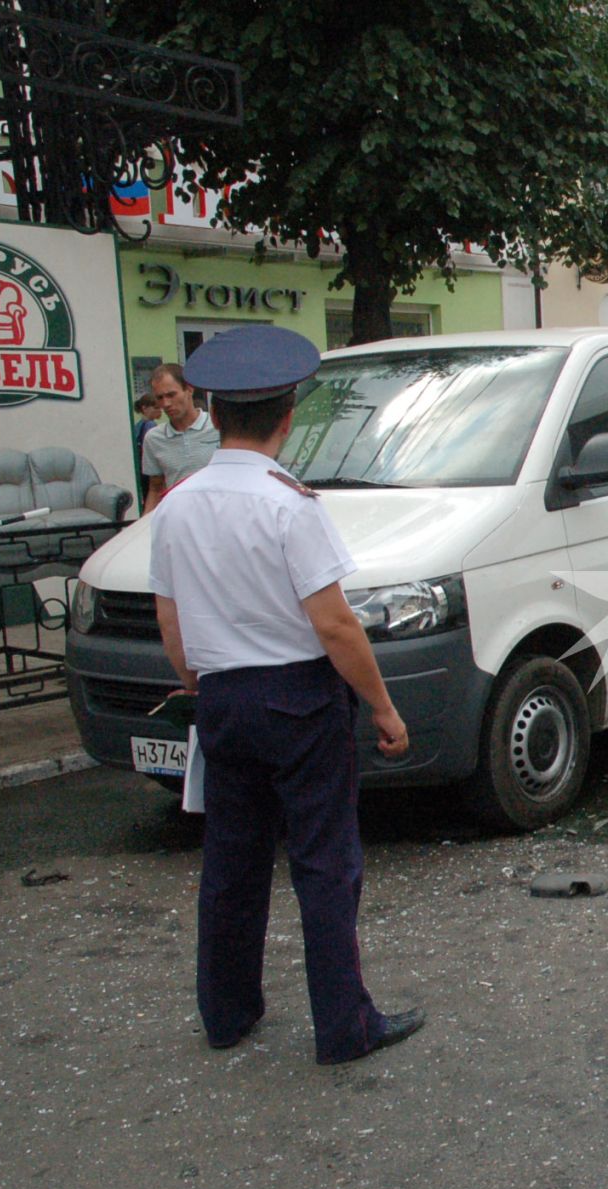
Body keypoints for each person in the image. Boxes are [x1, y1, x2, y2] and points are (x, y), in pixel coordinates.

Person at [149, 326, 424, 1066]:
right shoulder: (289, 504)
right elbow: (334, 623)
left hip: (222, 698)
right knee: (324, 862)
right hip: (296, 699)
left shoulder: (176, 504)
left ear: (210, 409)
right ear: (287, 415)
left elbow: (169, 615)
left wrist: (194, 679)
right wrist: (383, 706)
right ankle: (344, 1024)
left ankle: (227, 1011)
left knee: (231, 862)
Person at [141, 363, 219, 511]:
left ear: (189, 389)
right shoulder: (153, 439)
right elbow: (155, 488)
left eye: (171, 395)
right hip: (179, 518)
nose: (166, 403)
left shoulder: (219, 428)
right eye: (159, 398)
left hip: (219, 515)